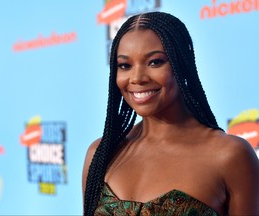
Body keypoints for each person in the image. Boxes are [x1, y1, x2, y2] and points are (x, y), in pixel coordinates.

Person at [82, 11, 259, 215]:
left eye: (155, 62)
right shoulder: (100, 154)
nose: (137, 78)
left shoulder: (230, 156)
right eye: (125, 65)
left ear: (181, 66)